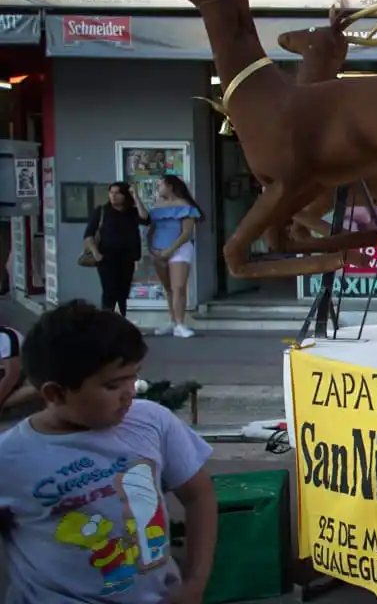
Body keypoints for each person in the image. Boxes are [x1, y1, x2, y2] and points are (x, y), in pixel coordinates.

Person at [0, 300, 217, 603]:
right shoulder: (10, 458)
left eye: (133, 376)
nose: (131, 391)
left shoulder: (151, 420)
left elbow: (199, 495)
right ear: (55, 393)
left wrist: (195, 583)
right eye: (113, 385)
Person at [83, 181, 150, 317]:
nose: (113, 196)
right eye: (111, 193)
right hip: (106, 256)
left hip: (127, 256)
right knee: (109, 291)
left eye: (117, 193)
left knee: (123, 292)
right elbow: (88, 234)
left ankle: (121, 321)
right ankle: (106, 321)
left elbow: (145, 218)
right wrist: (96, 253)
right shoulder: (102, 211)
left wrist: (136, 196)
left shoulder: (132, 212)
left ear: (125, 195)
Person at [148, 175, 203, 338]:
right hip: (158, 248)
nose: (158, 188)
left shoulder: (185, 205)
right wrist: (151, 248)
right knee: (168, 287)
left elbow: (186, 233)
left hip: (179, 249)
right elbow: (150, 229)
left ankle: (180, 323)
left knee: (178, 286)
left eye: (160, 185)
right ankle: (172, 321)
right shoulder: (156, 206)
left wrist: (170, 250)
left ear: (170, 186)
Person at [0, 323, 38, 415]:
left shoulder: (5, 337)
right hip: (6, 373)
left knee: (33, 388)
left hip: (22, 373)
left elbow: (12, 374)